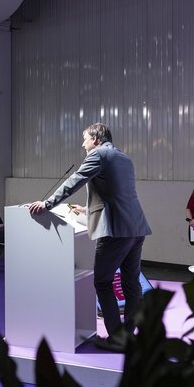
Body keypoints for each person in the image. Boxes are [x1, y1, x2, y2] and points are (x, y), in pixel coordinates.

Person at [29, 123, 151, 352]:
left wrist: (47, 203)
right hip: (136, 227)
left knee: (102, 281)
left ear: (95, 138)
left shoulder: (98, 155)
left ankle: (117, 339)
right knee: (131, 283)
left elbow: (74, 181)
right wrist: (87, 210)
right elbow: (116, 193)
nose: (82, 144)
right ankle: (128, 334)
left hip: (115, 230)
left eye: (84, 139)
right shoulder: (123, 157)